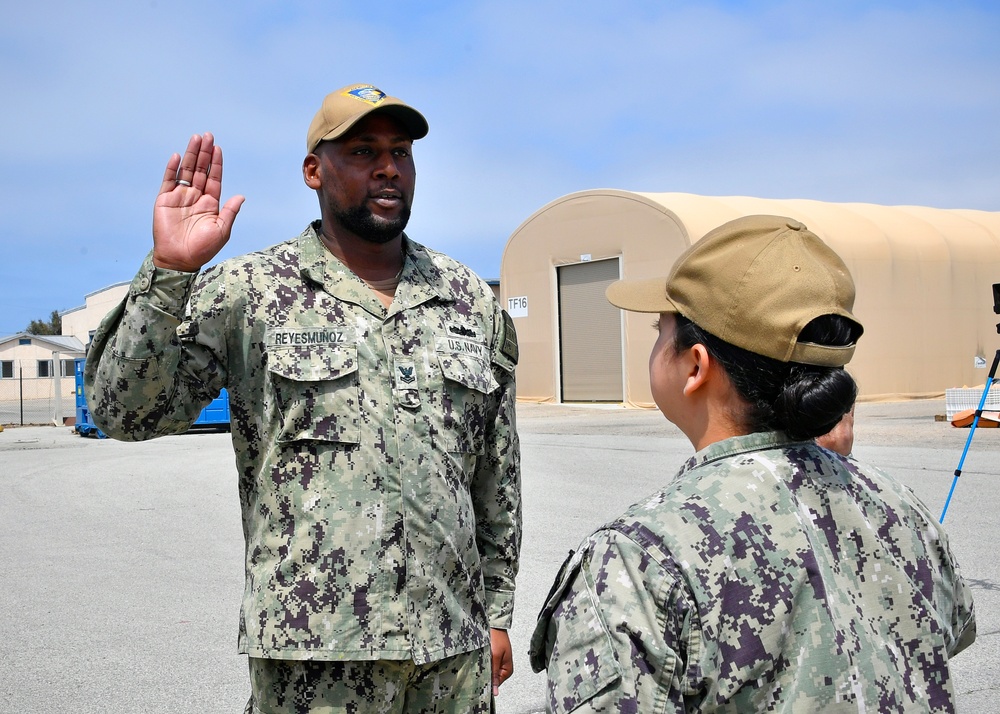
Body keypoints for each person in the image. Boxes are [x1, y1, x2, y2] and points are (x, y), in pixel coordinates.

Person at [84, 84, 521, 713]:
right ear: (314, 170)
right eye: (364, 150)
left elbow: (495, 472)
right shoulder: (249, 292)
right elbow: (123, 411)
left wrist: (498, 610)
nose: (388, 167)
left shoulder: (469, 302)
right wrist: (170, 273)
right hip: (314, 658)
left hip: (449, 653)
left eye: (401, 152)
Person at [529, 215, 976, 713]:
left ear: (696, 366)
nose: (655, 343)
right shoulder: (897, 505)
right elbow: (943, 640)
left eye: (661, 327)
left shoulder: (636, 559)